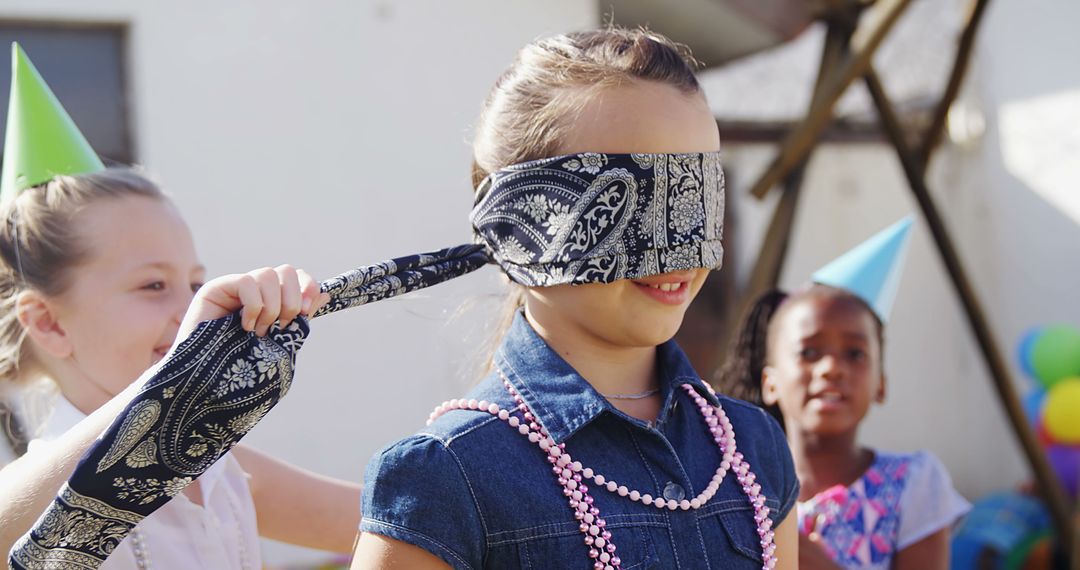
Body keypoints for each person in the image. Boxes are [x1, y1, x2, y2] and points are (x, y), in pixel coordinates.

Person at [350, 28, 801, 569]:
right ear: (524, 220)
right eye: (637, 201)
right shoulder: (447, 474)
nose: (680, 250)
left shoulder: (753, 449)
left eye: (698, 196)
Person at [0, 43, 360, 568]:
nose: (191, 310)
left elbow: (405, 515)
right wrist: (166, 390)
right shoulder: (28, 496)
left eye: (195, 284)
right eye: (152, 286)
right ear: (50, 323)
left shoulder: (222, 470)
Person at [715, 219, 971, 569]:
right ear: (769, 382)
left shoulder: (913, 485)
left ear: (881, 382)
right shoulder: (737, 493)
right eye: (808, 353)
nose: (831, 368)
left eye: (854, 353)